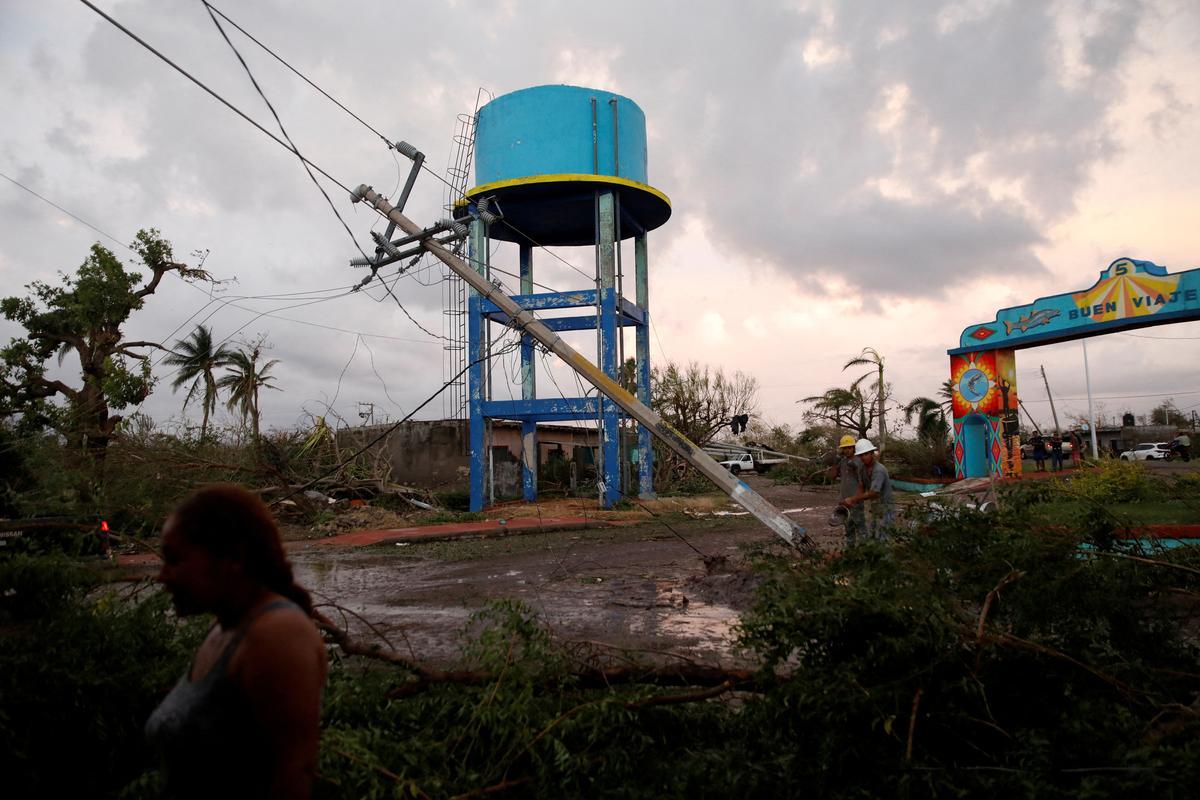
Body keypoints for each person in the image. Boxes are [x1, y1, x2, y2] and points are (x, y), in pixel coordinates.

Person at [146, 484, 328, 800]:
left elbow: (292, 777)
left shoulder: (276, 634)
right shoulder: (223, 630)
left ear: (233, 558)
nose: (162, 576)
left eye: (175, 560)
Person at [840, 439, 894, 540]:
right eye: (861, 455)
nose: (864, 457)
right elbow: (861, 486)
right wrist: (854, 500)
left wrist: (852, 499)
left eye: (866, 454)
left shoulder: (879, 470)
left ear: (872, 453)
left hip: (885, 506)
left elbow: (874, 493)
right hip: (874, 506)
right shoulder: (863, 468)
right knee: (873, 535)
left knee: (883, 537)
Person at [826, 434, 865, 546]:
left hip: (856, 501)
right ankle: (851, 555)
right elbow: (832, 476)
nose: (847, 450)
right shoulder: (842, 462)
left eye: (849, 447)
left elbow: (863, 482)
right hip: (844, 502)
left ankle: (866, 554)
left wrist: (855, 498)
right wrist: (835, 462)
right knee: (849, 531)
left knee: (861, 529)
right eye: (845, 448)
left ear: (854, 448)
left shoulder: (859, 462)